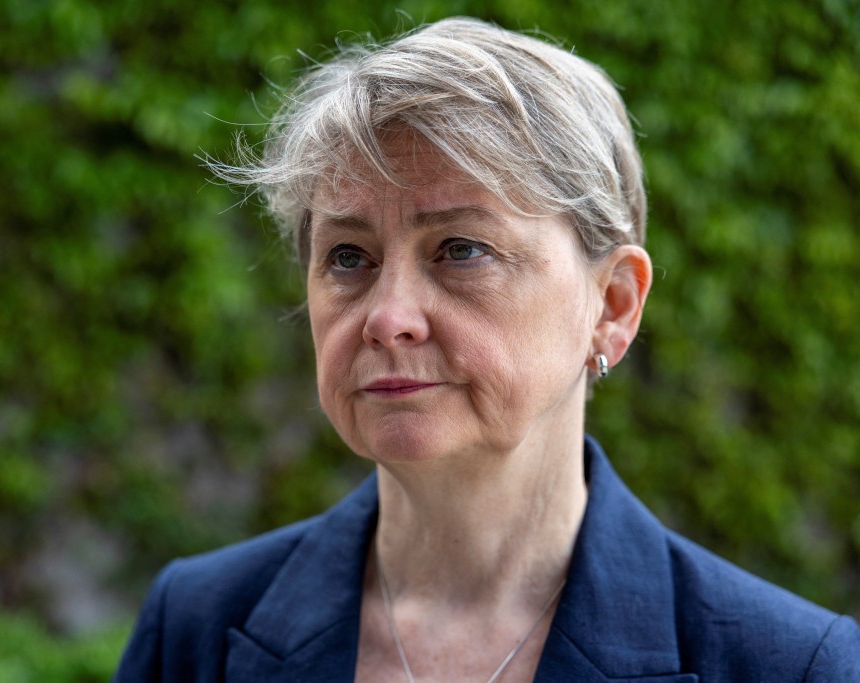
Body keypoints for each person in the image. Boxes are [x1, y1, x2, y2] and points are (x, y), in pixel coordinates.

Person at [113, 17, 860, 682]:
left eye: (461, 249)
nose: (389, 317)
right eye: (348, 256)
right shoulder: (197, 628)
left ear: (613, 305)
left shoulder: (791, 663)